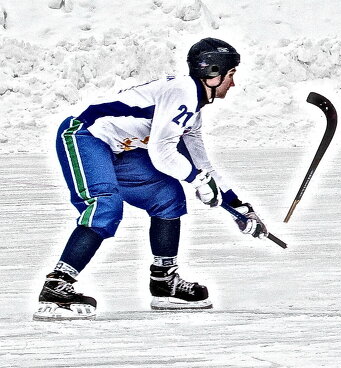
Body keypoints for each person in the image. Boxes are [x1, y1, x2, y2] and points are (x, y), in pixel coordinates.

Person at [34, 38, 269, 321]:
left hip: (120, 149)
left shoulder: (193, 110)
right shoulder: (182, 91)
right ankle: (58, 285)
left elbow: (202, 165)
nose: (232, 84)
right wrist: (197, 180)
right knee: (105, 205)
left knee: (167, 195)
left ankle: (164, 280)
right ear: (213, 72)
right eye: (231, 75)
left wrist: (239, 207)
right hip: (85, 135)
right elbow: (161, 152)